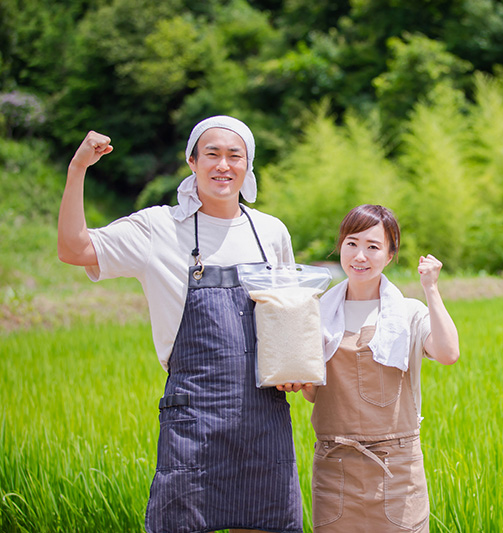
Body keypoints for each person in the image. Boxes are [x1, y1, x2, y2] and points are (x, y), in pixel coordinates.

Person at [57, 116, 306, 533]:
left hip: (263, 415)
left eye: (234, 155)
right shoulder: (158, 227)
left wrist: (296, 371)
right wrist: (77, 168)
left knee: (267, 523)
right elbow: (74, 249)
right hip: (194, 416)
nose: (222, 165)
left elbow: (287, 318)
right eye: (211, 154)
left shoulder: (270, 232)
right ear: (191, 161)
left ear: (248, 166)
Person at [302, 204, 460, 532]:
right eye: (352, 243)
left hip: (396, 470)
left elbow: (448, 353)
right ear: (341, 247)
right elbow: (312, 393)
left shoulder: (408, 313)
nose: (360, 255)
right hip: (336, 469)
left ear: (389, 256)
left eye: (373, 247)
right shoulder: (317, 313)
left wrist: (431, 289)